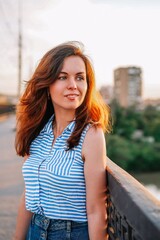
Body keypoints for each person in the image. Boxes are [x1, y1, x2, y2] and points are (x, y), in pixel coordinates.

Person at [14, 41, 111, 240]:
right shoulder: (38, 130)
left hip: (70, 234)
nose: (73, 86)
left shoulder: (90, 134)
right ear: (47, 83)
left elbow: (96, 210)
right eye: (62, 77)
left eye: (80, 78)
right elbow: (29, 195)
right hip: (34, 230)